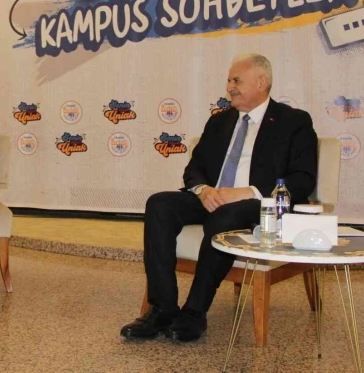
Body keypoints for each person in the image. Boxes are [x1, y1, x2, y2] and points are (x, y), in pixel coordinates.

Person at [121, 53, 318, 342]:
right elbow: (194, 169)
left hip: (258, 205)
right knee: (159, 204)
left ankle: (194, 312)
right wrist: (204, 190)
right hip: (213, 199)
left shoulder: (294, 121)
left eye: (236, 80)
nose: (229, 87)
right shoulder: (219, 121)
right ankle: (162, 308)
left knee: (224, 218)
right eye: (228, 80)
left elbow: (303, 179)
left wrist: (247, 192)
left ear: (261, 82)